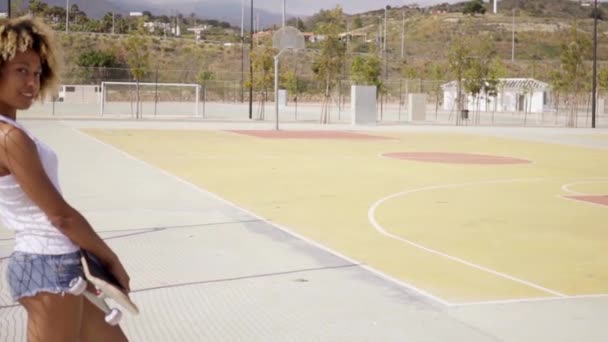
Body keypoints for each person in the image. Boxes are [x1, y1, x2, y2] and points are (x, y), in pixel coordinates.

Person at [0, 15, 131, 341]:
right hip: (47, 265)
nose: (31, 82)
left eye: (37, 73)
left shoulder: (14, 132)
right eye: (21, 70)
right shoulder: (8, 138)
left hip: (62, 262)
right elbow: (60, 216)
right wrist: (110, 259)